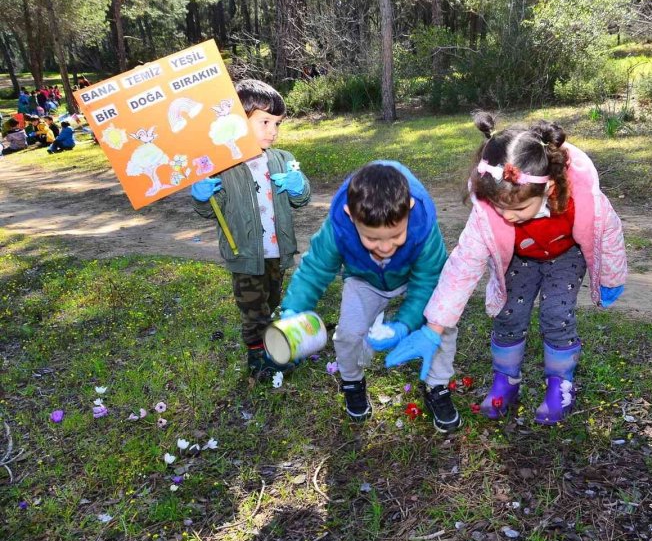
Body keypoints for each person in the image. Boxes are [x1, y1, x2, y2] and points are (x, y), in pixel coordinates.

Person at [386, 113, 627, 426]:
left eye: (518, 209)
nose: (508, 216)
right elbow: (462, 268)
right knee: (509, 313)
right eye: (501, 208)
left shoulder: (583, 199)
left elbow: (608, 234)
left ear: (549, 188)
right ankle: (506, 381)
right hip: (520, 258)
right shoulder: (489, 213)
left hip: (565, 255)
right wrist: (433, 328)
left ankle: (560, 384)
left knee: (557, 314)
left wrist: (610, 278)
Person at [279, 161, 456, 431]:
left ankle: (437, 385)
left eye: (396, 236)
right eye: (372, 239)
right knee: (349, 333)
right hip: (365, 279)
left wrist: (404, 324)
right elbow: (315, 268)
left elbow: (428, 282)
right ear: (351, 215)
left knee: (442, 325)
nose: (385, 247)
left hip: (412, 276)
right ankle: (352, 381)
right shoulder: (339, 226)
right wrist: (294, 309)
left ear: (408, 208)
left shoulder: (424, 226)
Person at [191, 79, 311, 379]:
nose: (273, 130)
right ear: (237, 123)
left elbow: (302, 198)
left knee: (271, 303)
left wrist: (299, 187)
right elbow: (209, 210)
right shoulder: (223, 165)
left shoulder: (283, 159)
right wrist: (201, 196)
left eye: (278, 124)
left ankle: (272, 349)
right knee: (253, 311)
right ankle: (258, 361)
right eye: (265, 121)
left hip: (278, 251)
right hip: (244, 254)